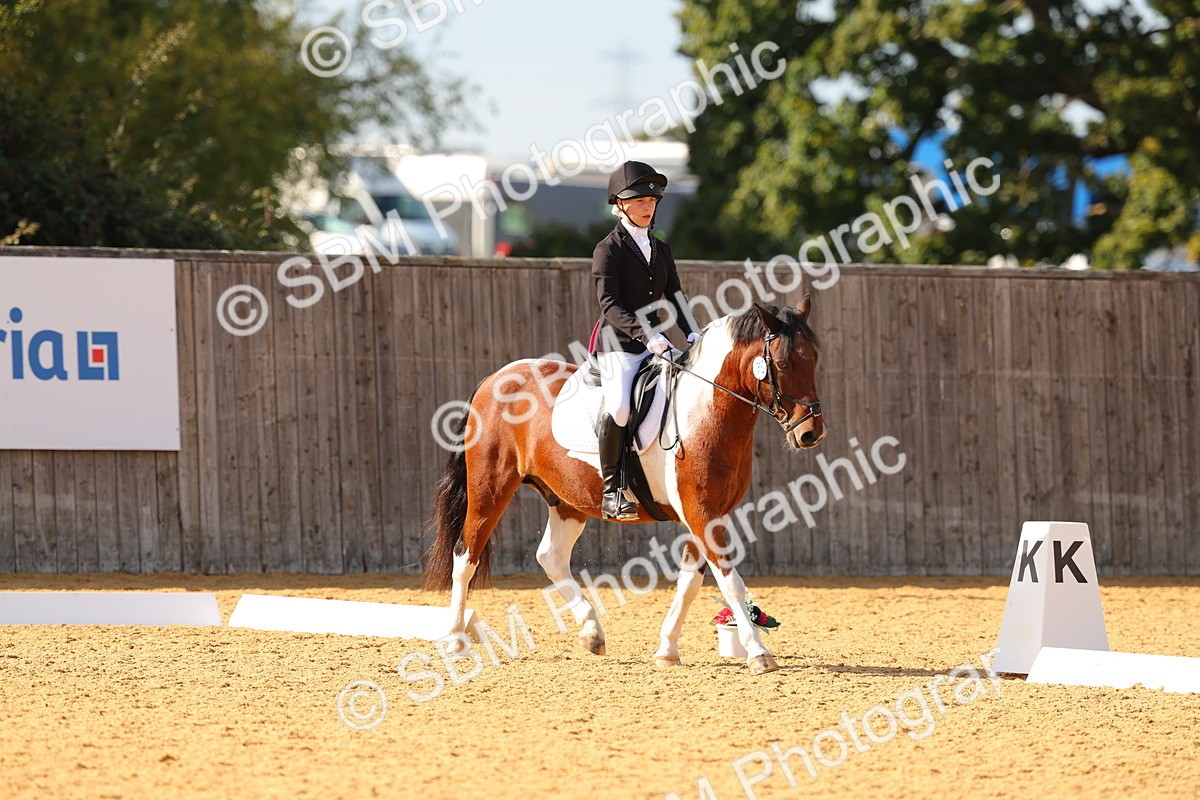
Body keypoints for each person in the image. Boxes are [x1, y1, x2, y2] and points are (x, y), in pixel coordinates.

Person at [590, 160, 699, 520]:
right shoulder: (608, 250)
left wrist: (692, 331)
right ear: (619, 204)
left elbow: (676, 296)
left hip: (658, 344)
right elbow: (610, 305)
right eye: (639, 201)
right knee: (620, 406)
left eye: (652, 201)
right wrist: (646, 334)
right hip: (620, 345)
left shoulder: (661, 249)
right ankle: (611, 489)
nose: (648, 206)